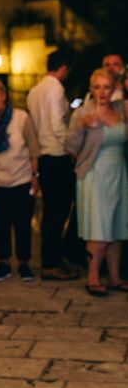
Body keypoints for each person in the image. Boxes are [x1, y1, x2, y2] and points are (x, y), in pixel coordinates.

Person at [66, 69, 128, 296]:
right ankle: (92, 276)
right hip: (95, 175)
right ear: (91, 89)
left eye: (106, 87)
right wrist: (82, 126)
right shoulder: (83, 112)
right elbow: (70, 147)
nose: (101, 92)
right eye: (97, 87)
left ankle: (114, 277)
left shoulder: (122, 109)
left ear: (114, 89)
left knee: (117, 226)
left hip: (119, 173)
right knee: (99, 227)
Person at [0, 80, 40, 282]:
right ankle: (3, 262)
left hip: (21, 178)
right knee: (0, 223)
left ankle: (24, 263)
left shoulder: (22, 118)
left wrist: (34, 176)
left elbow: (33, 149)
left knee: (22, 223)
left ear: (3, 96)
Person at [26, 48, 79, 281]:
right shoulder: (56, 89)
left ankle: (52, 259)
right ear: (64, 68)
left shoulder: (35, 90)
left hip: (44, 157)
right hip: (58, 156)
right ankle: (51, 263)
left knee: (50, 211)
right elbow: (58, 127)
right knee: (57, 213)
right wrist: (73, 149)